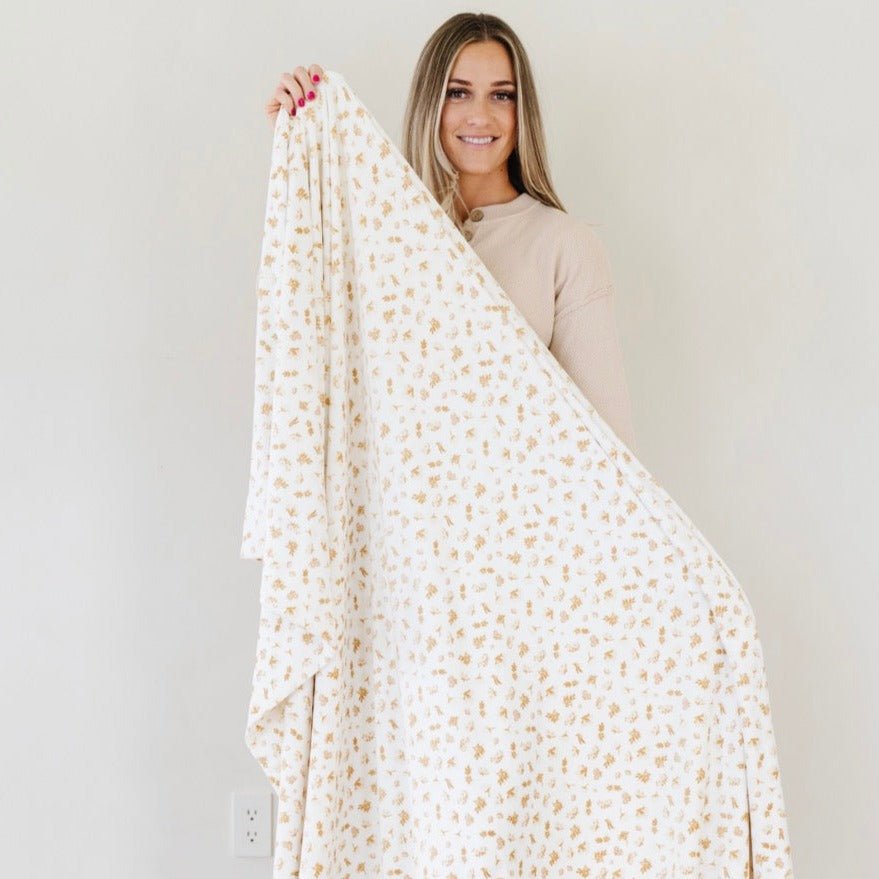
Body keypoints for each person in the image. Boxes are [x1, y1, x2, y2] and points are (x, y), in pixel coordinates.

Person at [263, 13, 638, 453]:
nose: (480, 116)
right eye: (458, 92)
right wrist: (298, 145)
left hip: (513, 498)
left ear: (522, 113)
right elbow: (311, 350)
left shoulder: (565, 246)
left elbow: (609, 449)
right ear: (431, 104)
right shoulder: (385, 237)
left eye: (502, 95)